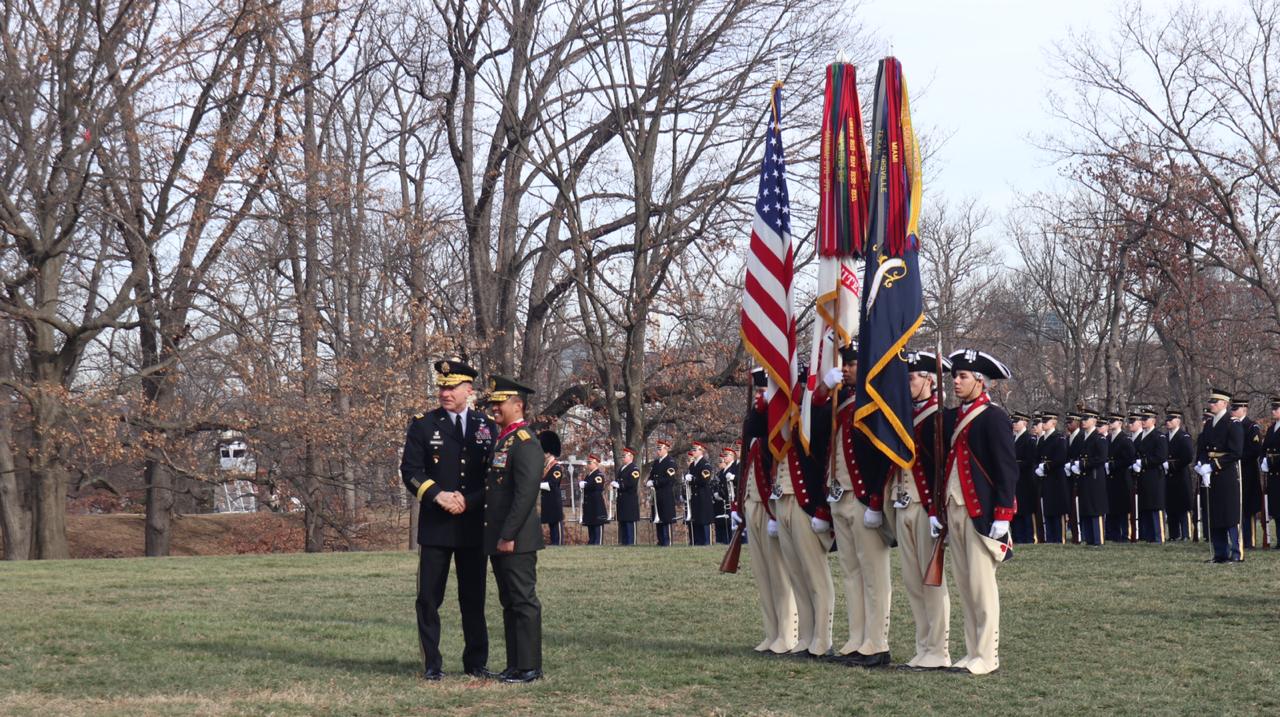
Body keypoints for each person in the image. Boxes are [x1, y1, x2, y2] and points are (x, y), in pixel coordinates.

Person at [399, 360, 497, 681]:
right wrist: (438, 495)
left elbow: (494, 477)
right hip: (436, 525)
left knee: (473, 599)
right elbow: (411, 471)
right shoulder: (423, 425)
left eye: (451, 387)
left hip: (472, 526)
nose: (444, 392)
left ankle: (476, 663)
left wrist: (469, 501)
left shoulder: (486, 426)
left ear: (469, 390)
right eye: (441, 386)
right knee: (428, 597)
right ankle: (432, 665)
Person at [940, 349, 1017, 676]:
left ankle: (987, 655)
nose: (956, 382)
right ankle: (972, 651)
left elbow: (1006, 469)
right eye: (954, 376)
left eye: (963, 377)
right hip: (954, 508)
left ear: (980, 381)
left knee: (982, 587)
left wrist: (1002, 514)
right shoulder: (954, 417)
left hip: (981, 512)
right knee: (965, 585)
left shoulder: (994, 417)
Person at [813, 344, 885, 667]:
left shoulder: (874, 401)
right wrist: (825, 387)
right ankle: (856, 638)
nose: (847, 369)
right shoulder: (840, 403)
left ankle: (877, 641)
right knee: (850, 573)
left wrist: (875, 500)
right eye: (845, 364)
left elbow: (879, 456)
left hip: (862, 497)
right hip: (839, 497)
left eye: (853, 364)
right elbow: (813, 422)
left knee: (873, 574)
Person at [482, 375, 545, 683]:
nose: (494, 408)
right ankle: (515, 664)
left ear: (517, 405)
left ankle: (531, 666)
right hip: (500, 537)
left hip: (516, 538)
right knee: (509, 603)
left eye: (499, 403)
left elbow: (525, 493)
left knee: (523, 601)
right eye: (492, 403)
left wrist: (508, 535)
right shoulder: (503, 439)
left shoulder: (525, 441)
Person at [892, 350, 951, 670]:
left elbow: (940, 467)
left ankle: (939, 649)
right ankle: (923, 645)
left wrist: (936, 509)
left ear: (930, 380)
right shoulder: (906, 416)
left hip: (926, 506)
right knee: (913, 581)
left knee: (932, 581)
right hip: (903, 504)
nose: (907, 382)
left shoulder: (938, 417)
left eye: (913, 376)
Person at [733, 367, 798, 654]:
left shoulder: (777, 424)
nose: (760, 397)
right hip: (752, 503)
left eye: (764, 391)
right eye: (758, 391)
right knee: (762, 574)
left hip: (771, 505)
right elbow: (746, 463)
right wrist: (738, 504)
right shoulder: (755, 424)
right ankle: (771, 632)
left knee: (780, 574)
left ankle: (787, 633)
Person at [777, 362, 835, 659]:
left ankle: (822, 639)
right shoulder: (783, 415)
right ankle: (806, 637)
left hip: (806, 502)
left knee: (815, 576)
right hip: (784, 501)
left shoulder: (813, 415)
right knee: (797, 575)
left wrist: (822, 510)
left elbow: (823, 438)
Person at [1195, 388, 1244, 563]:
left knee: (1230, 515)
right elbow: (1203, 447)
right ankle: (1220, 553)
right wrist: (1201, 465)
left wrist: (1213, 466)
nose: (1211, 405)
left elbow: (1236, 452)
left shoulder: (1233, 423)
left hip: (1226, 474)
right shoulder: (1209, 424)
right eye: (1210, 402)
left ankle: (1236, 553)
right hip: (1211, 474)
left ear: (1224, 403)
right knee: (1215, 514)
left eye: (1215, 402)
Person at [1068, 408, 1108, 546]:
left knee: (1095, 508)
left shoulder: (1099, 437)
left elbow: (1101, 458)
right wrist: (1075, 464)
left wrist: (1082, 464)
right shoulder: (1082, 437)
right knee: (1087, 507)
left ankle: (1098, 539)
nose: (1083, 421)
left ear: (1094, 420)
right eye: (1082, 419)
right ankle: (1090, 539)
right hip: (1085, 478)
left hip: (1095, 477)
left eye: (1086, 419)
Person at [1134, 407, 1169, 543]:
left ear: (1153, 421)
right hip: (1143, 476)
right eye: (1142, 419)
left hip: (1154, 475)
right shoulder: (1141, 437)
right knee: (1146, 506)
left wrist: (1143, 463)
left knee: (1156, 506)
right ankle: (1148, 536)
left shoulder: (1158, 436)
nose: (1143, 421)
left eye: (1145, 419)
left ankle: (1158, 536)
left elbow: (1160, 456)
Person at [1233, 398, 1264, 549]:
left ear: (1244, 409)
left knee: (1248, 507)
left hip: (1248, 472)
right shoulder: (1232, 425)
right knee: (1238, 507)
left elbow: (1255, 450)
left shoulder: (1252, 427)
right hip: (1235, 472)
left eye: (1236, 408)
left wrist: (1238, 458)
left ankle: (1249, 540)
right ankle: (1239, 538)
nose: (1233, 411)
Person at [1035, 411, 1070, 544]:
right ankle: (1050, 537)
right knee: (1048, 509)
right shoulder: (1042, 439)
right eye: (1042, 421)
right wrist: (1038, 467)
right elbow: (1038, 456)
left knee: (1057, 509)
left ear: (1054, 423)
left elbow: (1060, 458)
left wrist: (1045, 467)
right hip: (1045, 479)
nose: (1043, 423)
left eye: (1046, 421)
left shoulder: (1059, 438)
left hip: (1056, 478)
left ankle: (1059, 538)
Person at [1104, 413, 1136, 542]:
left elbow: (1129, 458)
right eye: (1109, 421)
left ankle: (1125, 534)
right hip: (1111, 479)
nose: (1110, 423)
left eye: (1113, 421)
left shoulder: (1125, 439)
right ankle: (1114, 534)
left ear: (1120, 423)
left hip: (1122, 478)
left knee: (1123, 508)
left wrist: (1113, 465)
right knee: (1112, 507)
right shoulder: (1108, 439)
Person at [1164, 410, 1196, 541]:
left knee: (1183, 506)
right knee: (1171, 506)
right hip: (1168, 476)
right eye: (1167, 420)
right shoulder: (1165, 437)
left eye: (1170, 420)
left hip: (1180, 475)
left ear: (1178, 421)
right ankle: (1173, 534)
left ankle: (1186, 533)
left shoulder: (1184, 437)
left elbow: (1188, 456)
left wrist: (1172, 465)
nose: (1168, 422)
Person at [1011, 411, 1037, 544]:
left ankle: (1028, 537)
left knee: (1025, 510)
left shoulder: (1029, 439)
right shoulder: (1012, 438)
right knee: (1016, 509)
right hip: (1015, 479)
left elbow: (1030, 461)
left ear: (1025, 423)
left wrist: (1014, 465)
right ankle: (1017, 536)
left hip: (1025, 479)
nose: (1014, 424)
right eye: (1013, 422)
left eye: (1017, 421)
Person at [647, 439, 678, 546]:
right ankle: (660, 540)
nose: (658, 451)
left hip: (666, 494)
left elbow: (669, 479)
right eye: (657, 448)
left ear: (666, 449)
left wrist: (654, 482)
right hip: (657, 495)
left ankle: (666, 541)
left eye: (660, 449)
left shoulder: (670, 462)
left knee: (665, 518)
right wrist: (649, 481)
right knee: (658, 517)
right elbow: (652, 475)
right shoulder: (656, 462)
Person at [538, 431, 565, 546]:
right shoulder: (546, 467)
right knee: (551, 526)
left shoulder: (556, 467)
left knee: (556, 527)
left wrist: (537, 485)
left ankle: (558, 545)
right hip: (547, 501)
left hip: (554, 501)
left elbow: (552, 484)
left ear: (548, 453)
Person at [687, 442, 715, 546]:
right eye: (693, 450)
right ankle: (697, 541)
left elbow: (704, 480)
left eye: (695, 450)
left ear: (701, 450)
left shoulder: (705, 464)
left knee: (703, 520)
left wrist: (693, 479)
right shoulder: (692, 465)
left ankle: (706, 542)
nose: (693, 452)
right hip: (694, 496)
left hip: (702, 496)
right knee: (696, 520)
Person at [614, 447, 642, 546]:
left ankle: (631, 542)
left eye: (624, 455)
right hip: (622, 499)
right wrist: (615, 484)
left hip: (629, 499)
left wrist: (620, 485)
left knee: (629, 521)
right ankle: (624, 542)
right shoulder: (622, 468)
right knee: (623, 521)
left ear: (631, 456)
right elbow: (619, 480)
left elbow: (632, 483)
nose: (623, 457)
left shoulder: (634, 469)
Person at [580, 454, 608, 545]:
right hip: (589, 504)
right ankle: (591, 542)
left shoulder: (598, 475)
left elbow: (597, 486)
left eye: (590, 462)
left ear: (596, 463)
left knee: (597, 524)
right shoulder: (589, 475)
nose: (588, 464)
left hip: (596, 505)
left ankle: (597, 543)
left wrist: (586, 485)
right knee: (590, 525)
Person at [1263, 397, 1280, 541]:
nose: (1273, 411)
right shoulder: (1271, 428)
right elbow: (1265, 449)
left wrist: (1272, 461)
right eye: (1272, 409)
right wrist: (1264, 460)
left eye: (1276, 409)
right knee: (1276, 509)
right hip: (1273, 475)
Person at [712, 448, 735, 545]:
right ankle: (723, 541)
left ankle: (729, 541)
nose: (724, 458)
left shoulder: (732, 468)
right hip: (722, 501)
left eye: (726, 455)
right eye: (724, 455)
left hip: (729, 499)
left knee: (729, 523)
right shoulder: (722, 472)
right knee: (722, 522)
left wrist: (722, 494)